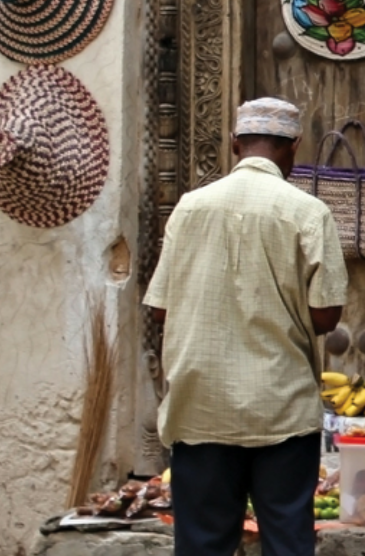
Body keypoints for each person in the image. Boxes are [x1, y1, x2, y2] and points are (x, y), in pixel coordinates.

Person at [144, 98, 347, 556]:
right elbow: (326, 316)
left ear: (235, 143)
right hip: (280, 406)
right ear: (294, 146)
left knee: (203, 543)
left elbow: (159, 309)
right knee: (287, 539)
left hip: (201, 404)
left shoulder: (190, 207)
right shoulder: (308, 212)